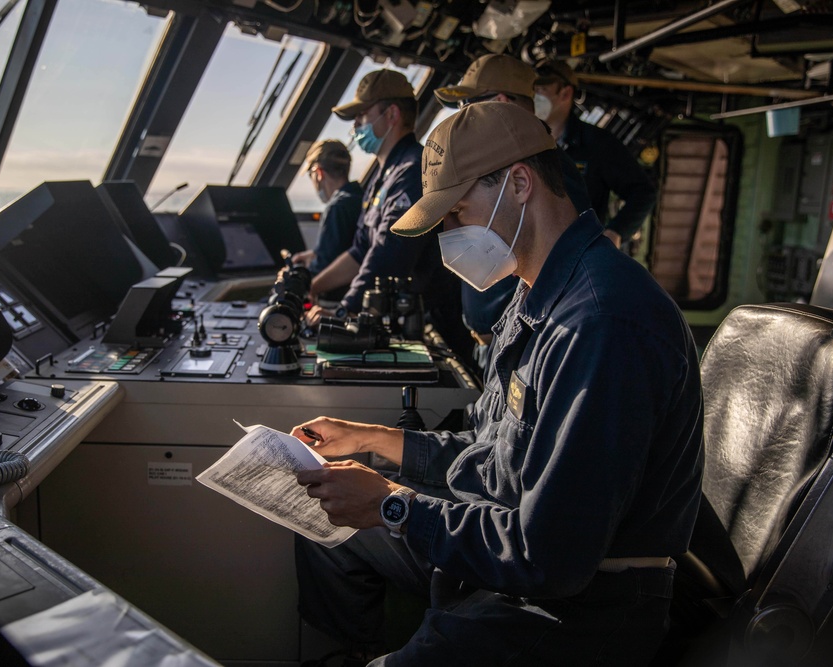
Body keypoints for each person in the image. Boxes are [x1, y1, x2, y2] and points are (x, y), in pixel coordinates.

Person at [291, 102, 703, 666]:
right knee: (323, 528)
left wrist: (393, 504)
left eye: (458, 213)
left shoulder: (602, 323)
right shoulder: (534, 294)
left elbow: (548, 557)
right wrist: (372, 440)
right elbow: (496, 456)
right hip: (504, 548)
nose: (450, 237)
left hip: (579, 612)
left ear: (518, 184)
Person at [433, 53, 593, 357]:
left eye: (467, 105)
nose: (461, 116)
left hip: (531, 341)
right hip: (504, 336)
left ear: (500, 102)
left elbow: (557, 259)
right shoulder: (498, 163)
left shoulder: (549, 168)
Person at [307, 69, 472, 361]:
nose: (356, 126)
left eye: (361, 115)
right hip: (404, 320)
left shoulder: (414, 172)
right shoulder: (381, 178)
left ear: (391, 114)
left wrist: (344, 311)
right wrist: (314, 286)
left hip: (434, 325)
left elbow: (389, 254)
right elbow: (360, 250)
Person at [534, 58, 658, 249]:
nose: (534, 97)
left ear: (565, 93)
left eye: (541, 90)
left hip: (577, 255)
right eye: (532, 90)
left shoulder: (596, 143)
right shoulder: (526, 141)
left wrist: (616, 231)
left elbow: (643, 192)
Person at [291, 139, 362, 302]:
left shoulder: (337, 207)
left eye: (311, 176)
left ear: (319, 172)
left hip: (336, 301)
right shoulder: (361, 198)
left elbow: (324, 269)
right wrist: (315, 255)